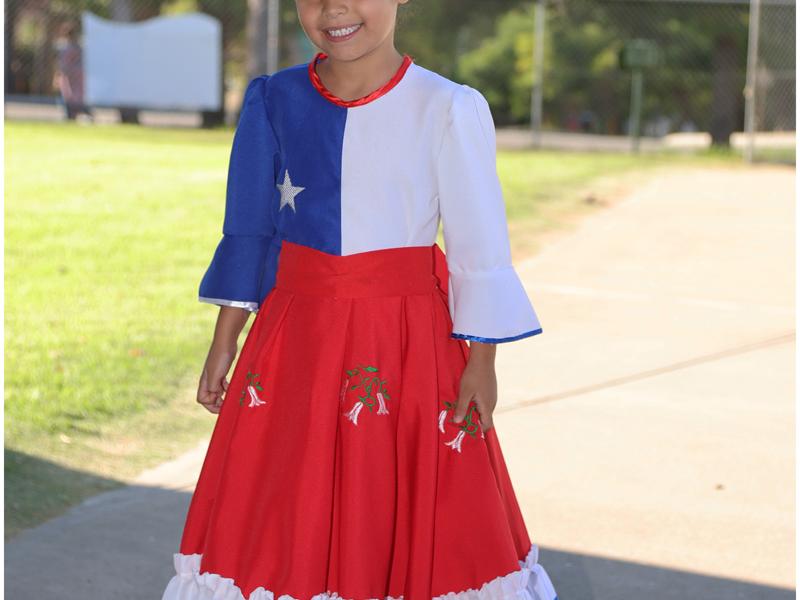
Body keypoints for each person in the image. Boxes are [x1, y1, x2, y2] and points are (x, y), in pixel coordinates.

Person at [161, 1, 558, 598]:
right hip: (296, 342)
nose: (334, 8)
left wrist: (482, 360)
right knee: (287, 497)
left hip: (405, 345)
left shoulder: (448, 107)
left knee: (399, 498)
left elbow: (479, 246)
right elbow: (249, 227)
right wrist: (226, 337)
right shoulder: (273, 100)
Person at [53, 21, 93, 122]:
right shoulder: (78, 46)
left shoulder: (66, 47)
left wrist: (58, 76)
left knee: (69, 95)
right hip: (78, 74)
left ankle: (73, 114)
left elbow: (63, 65)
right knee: (77, 94)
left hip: (69, 74)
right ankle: (79, 112)